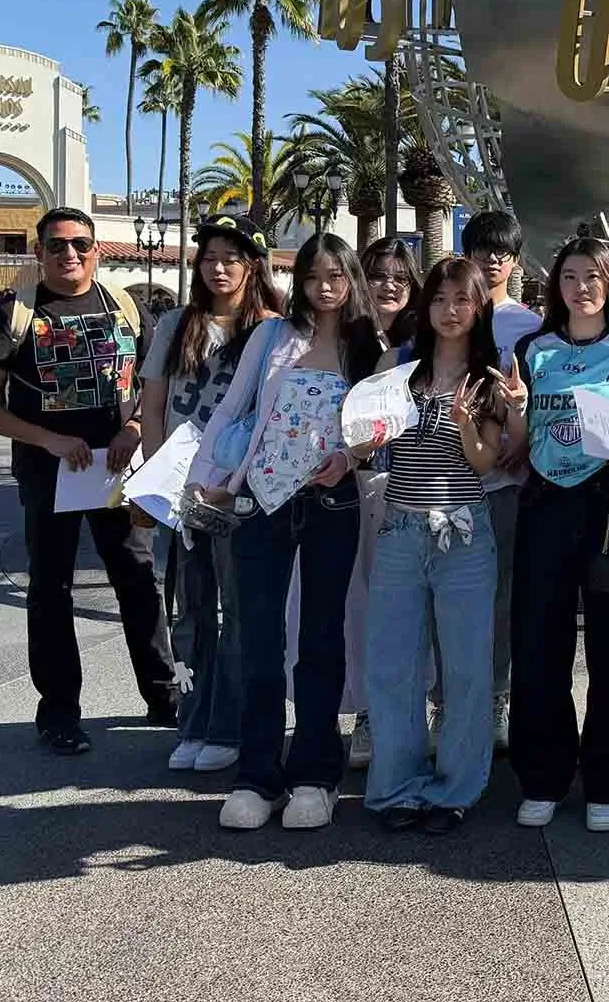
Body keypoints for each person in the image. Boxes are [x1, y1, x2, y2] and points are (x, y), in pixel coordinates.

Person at [0, 207, 175, 755]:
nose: (69, 255)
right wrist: (47, 440)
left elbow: (154, 388)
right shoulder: (16, 314)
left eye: (80, 243)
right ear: (39, 254)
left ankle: (163, 695)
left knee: (137, 578)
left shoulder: (125, 307)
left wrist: (131, 428)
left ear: (97, 249)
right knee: (51, 588)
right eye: (56, 246)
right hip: (47, 475)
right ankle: (58, 711)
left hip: (115, 473)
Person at [191, 233, 382, 831]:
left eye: (336, 275)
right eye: (312, 276)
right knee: (257, 636)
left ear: (351, 279)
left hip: (330, 503)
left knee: (321, 638)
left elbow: (381, 424)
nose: (324, 287)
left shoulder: (366, 345)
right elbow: (232, 407)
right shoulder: (272, 335)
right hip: (259, 501)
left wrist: (349, 459)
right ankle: (257, 774)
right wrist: (207, 478)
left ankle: (314, 773)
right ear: (297, 281)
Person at [363, 257, 518, 835]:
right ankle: (397, 788)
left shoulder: (492, 378)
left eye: (462, 300)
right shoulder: (396, 367)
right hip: (401, 528)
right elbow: (364, 447)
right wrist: (358, 439)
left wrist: (467, 425)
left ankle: (455, 788)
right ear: (424, 307)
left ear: (479, 308)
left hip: (464, 531)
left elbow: (485, 463)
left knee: (467, 667)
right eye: (440, 299)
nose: (450, 310)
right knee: (393, 664)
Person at [506, 236, 609, 833]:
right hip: (544, 506)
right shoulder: (529, 348)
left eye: (594, 276)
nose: (582, 287)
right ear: (555, 285)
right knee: (539, 646)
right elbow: (515, 441)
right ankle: (543, 776)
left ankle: (607, 780)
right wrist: (516, 406)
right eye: (570, 276)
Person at [139, 214, 283, 775]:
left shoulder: (271, 328)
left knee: (239, 610)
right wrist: (156, 474)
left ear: (254, 265)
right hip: (180, 486)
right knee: (189, 608)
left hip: (236, 490)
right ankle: (194, 718)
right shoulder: (177, 323)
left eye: (233, 258)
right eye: (210, 257)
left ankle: (231, 723)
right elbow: (153, 402)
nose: (219, 268)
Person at [325, 236, 422, 770]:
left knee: (410, 610)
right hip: (351, 487)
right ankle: (365, 713)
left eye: (401, 278)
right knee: (359, 609)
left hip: (410, 489)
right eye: (379, 274)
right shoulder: (344, 337)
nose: (389, 284)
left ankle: (413, 709)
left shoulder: (424, 340)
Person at [448, 209, 540, 754]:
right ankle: (449, 702)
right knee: (447, 598)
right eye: (483, 247)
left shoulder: (530, 326)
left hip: (507, 482)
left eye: (504, 249)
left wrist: (522, 443)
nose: (494, 258)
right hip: (445, 482)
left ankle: (497, 698)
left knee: (501, 597)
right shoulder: (445, 314)